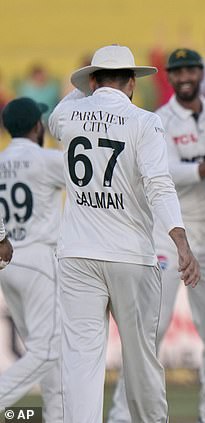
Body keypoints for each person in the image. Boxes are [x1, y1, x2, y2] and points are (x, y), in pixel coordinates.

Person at [48, 44, 200, 423]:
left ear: (93, 80)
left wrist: (85, 82)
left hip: (77, 255)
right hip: (131, 255)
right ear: (132, 83)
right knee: (140, 360)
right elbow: (159, 185)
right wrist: (180, 240)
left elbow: (59, 113)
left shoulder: (67, 116)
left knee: (81, 361)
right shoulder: (145, 121)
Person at [106, 48, 205, 423]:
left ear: (201, 73)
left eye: (190, 70)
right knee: (152, 330)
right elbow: (168, 173)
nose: (184, 77)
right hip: (167, 235)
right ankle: (122, 414)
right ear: (171, 77)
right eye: (177, 71)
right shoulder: (157, 120)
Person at [0, 97, 64, 422]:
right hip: (39, 258)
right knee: (50, 349)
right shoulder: (44, 159)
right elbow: (87, 174)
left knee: (51, 358)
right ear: (37, 126)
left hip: (7, 263)